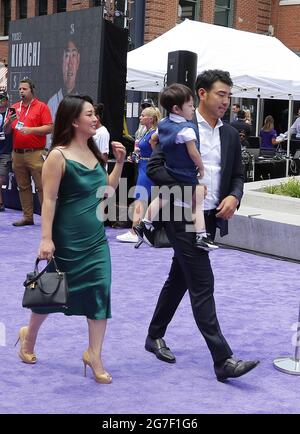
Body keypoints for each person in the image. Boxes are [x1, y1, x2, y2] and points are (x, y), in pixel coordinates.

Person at [144, 69, 259, 381]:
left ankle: (153, 335)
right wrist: (186, 185)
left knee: (179, 278)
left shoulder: (231, 134)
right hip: (181, 213)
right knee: (202, 282)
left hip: (208, 217)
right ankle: (223, 359)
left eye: (229, 96)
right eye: (221, 94)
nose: (226, 101)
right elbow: (154, 167)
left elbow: (236, 175)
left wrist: (234, 197)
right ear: (202, 94)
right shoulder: (178, 125)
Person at [14, 95, 126, 384]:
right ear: (74, 120)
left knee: (100, 290)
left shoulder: (94, 152)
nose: (95, 118)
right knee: (52, 293)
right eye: (89, 114)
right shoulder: (58, 155)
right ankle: (29, 336)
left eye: (95, 114)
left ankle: (94, 354)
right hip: (67, 238)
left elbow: (106, 191)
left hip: (96, 239)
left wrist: (119, 164)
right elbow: (48, 200)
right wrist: (45, 239)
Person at [134, 83, 218, 251]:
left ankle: (145, 223)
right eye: (190, 105)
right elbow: (193, 153)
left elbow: (155, 138)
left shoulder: (164, 123)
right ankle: (201, 236)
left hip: (170, 170)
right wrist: (201, 168)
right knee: (197, 204)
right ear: (177, 108)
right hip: (185, 174)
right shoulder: (186, 130)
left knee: (163, 197)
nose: (193, 109)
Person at [4, 78, 53, 226]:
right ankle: (27, 217)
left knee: (42, 187)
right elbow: (7, 132)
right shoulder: (14, 107)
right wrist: (7, 123)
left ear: (32, 90)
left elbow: (50, 128)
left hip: (36, 153)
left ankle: (48, 219)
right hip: (17, 154)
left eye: (24, 89)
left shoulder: (41, 107)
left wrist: (30, 130)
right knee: (23, 186)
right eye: (20, 89)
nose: (21, 91)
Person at [116, 106, 160, 243]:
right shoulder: (147, 133)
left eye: (142, 115)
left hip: (147, 168)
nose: (140, 117)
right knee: (141, 198)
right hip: (142, 166)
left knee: (140, 198)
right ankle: (138, 230)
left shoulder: (154, 134)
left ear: (150, 119)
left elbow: (157, 152)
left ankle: (135, 232)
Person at [47, 34, 80, 124]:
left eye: (73, 55)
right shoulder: (52, 102)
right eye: (66, 56)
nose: (70, 63)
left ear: (78, 60)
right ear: (61, 61)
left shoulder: (82, 101)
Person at [0, 91, 12, 211]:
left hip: (6, 150)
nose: (0, 101)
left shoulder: (11, 113)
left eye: (2, 99)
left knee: (1, 178)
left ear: (7, 101)